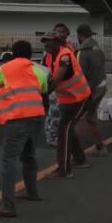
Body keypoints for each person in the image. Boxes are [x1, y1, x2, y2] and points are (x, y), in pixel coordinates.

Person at [0, 41, 48, 218]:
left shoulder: (5, 68)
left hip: (17, 117)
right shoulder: (39, 70)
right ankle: (32, 191)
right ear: (30, 54)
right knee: (29, 155)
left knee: (9, 160)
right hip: (37, 115)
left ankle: (8, 205)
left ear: (13, 53)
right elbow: (43, 89)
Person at [41, 31, 92, 178]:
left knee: (63, 130)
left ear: (58, 42)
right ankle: (80, 160)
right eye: (44, 41)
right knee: (68, 128)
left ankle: (64, 169)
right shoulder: (48, 57)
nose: (46, 44)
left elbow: (56, 79)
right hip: (66, 99)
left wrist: (42, 93)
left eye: (50, 41)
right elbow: (44, 76)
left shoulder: (65, 56)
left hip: (79, 98)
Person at [75, 24, 108, 156]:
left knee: (73, 119)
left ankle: (76, 151)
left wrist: (83, 93)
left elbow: (80, 75)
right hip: (102, 85)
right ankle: (100, 146)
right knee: (90, 117)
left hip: (90, 88)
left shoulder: (82, 52)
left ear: (79, 35)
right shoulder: (98, 49)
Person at [43, 23, 74, 147]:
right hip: (56, 86)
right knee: (54, 113)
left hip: (67, 87)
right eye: (57, 31)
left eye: (63, 31)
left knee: (61, 114)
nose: (60, 34)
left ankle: (56, 135)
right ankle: (52, 136)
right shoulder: (50, 51)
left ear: (67, 33)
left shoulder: (70, 49)